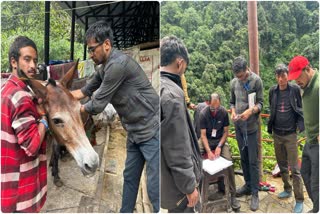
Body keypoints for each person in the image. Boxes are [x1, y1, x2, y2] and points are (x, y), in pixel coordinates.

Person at [71, 21, 160, 213]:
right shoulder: (103, 68)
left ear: (107, 45)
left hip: (152, 128)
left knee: (154, 186)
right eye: (89, 50)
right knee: (129, 176)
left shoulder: (117, 65)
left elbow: (97, 104)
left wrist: (73, 112)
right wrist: (62, 97)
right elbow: (84, 91)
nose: (91, 54)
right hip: (134, 130)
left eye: (92, 49)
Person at [1, 36, 48, 212]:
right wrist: (43, 120)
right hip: (21, 192)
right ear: (14, 62)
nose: (33, 66)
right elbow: (32, 146)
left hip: (7, 181)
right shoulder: (20, 97)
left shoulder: (6, 88)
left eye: (35, 60)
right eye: (27, 59)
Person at [160, 35, 202, 213]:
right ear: (179, 63)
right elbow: (178, 148)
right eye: (184, 67)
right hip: (179, 190)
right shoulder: (172, 96)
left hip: (166, 180)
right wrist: (189, 187)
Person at [268, 64, 305, 213]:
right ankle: (287, 189)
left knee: (295, 169)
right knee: (282, 165)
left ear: (287, 76)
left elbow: (300, 108)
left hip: (290, 135)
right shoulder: (273, 91)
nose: (281, 79)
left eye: (283, 76)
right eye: (278, 76)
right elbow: (272, 108)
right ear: (276, 77)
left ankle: (300, 199)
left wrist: (299, 126)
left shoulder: (294, 89)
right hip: (277, 134)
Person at [230, 56, 263, 211]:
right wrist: (233, 112)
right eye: (237, 76)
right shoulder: (233, 83)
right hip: (239, 127)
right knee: (243, 159)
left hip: (251, 128)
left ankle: (255, 193)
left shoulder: (257, 81)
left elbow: (261, 103)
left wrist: (251, 110)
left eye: (242, 76)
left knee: (253, 161)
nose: (240, 79)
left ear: (247, 69)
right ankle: (248, 185)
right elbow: (231, 102)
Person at [288, 56, 319, 213]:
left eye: (298, 77)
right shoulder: (306, 87)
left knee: (316, 183)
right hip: (310, 140)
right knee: (305, 173)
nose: (297, 82)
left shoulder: (318, 86)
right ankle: (316, 207)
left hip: (318, 143)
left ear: (308, 69)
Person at [199, 92, 241, 211]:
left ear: (220, 103)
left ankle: (232, 194)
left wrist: (219, 146)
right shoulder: (203, 114)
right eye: (212, 107)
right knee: (195, 155)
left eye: (217, 107)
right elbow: (202, 136)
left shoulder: (223, 112)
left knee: (229, 161)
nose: (215, 110)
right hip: (206, 139)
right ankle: (196, 188)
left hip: (219, 140)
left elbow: (226, 132)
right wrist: (209, 151)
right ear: (208, 103)